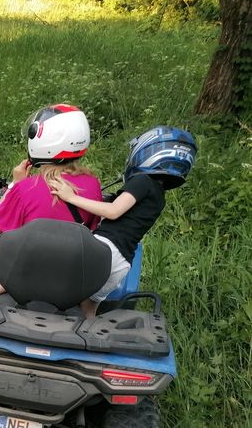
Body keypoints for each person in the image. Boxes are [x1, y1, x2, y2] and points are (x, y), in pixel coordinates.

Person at [49, 126, 197, 318]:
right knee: (88, 309)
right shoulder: (159, 195)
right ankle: (90, 343)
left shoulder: (142, 181)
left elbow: (113, 212)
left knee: (52, 283)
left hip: (104, 248)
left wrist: (71, 197)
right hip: (123, 262)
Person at [0, 104, 102, 294]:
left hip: (24, 276)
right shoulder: (93, 185)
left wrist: (14, 185)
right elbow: (91, 227)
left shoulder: (26, 188)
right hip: (69, 280)